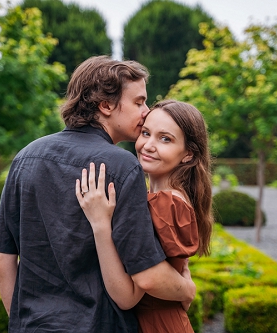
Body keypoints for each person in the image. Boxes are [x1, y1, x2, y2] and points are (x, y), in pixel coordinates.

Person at [0, 56, 196, 333]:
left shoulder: (26, 157)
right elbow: (139, 283)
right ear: (106, 105)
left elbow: (0, 258)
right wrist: (186, 289)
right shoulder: (121, 167)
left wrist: (21, 322)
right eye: (138, 102)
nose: (146, 111)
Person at [76, 100, 214, 333]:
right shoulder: (160, 198)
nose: (148, 145)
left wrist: (100, 223)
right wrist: (186, 286)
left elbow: (132, 290)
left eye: (165, 139)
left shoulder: (166, 204)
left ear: (188, 154)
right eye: (146, 133)